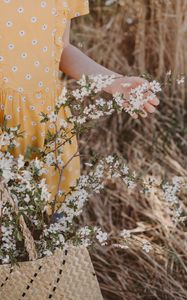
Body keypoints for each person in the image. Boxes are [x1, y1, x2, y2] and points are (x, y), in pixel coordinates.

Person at [0, 1, 159, 215]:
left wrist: (113, 82)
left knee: (45, 222)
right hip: (4, 121)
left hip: (44, 127)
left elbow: (62, 48)